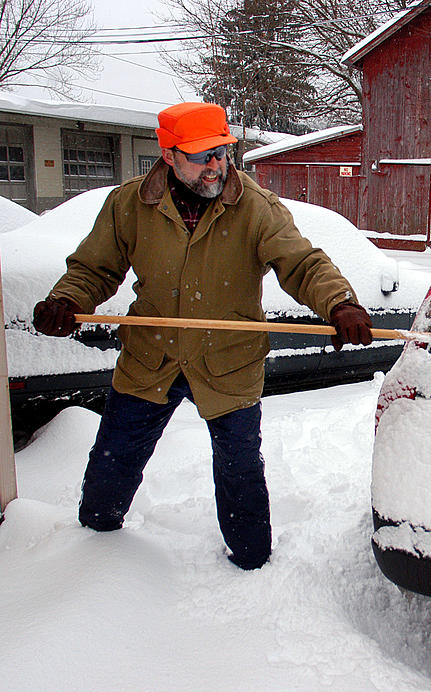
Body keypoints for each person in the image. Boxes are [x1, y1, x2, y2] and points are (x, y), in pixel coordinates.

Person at [32, 102, 373, 570]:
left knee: (240, 470)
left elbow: (302, 263)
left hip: (227, 363)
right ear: (169, 155)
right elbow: (95, 267)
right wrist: (68, 301)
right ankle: (94, 545)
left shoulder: (254, 206)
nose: (216, 165)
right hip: (151, 359)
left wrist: (341, 303)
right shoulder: (131, 204)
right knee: (116, 457)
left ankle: (251, 563)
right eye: (202, 155)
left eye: (222, 152)